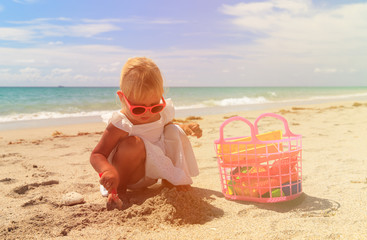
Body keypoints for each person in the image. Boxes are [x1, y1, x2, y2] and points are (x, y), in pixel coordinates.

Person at [90, 57, 202, 210]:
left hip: (154, 171)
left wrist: (186, 126)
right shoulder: (121, 123)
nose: (148, 113)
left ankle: (172, 179)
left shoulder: (162, 113)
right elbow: (97, 154)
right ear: (123, 98)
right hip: (128, 176)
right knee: (133, 143)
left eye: (155, 106)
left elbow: (167, 128)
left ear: (161, 95)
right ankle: (119, 190)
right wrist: (108, 171)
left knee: (174, 130)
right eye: (138, 109)